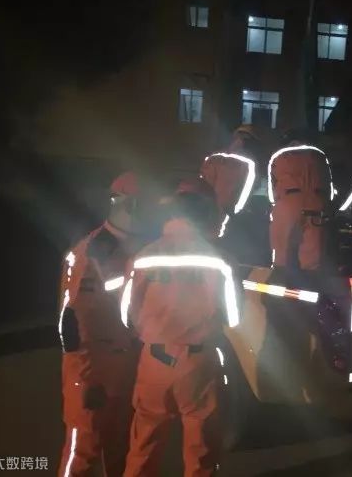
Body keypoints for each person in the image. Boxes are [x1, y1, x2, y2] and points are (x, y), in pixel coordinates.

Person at [121, 178, 238, 477]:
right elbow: (233, 317)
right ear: (206, 212)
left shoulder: (144, 256)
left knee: (144, 443)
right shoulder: (219, 260)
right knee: (200, 451)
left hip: (153, 360)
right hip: (198, 362)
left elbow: (126, 314)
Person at [58, 171, 150, 477]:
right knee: (83, 451)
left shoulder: (140, 249)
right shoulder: (91, 251)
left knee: (121, 449)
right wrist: (88, 380)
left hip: (127, 369)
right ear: (131, 205)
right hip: (94, 371)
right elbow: (72, 325)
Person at [267, 127, 334, 271]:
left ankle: (281, 275)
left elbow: (272, 189)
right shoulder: (320, 155)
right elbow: (328, 185)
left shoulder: (279, 155)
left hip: (287, 204)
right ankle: (309, 276)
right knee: (312, 252)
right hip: (316, 205)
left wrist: (277, 204)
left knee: (283, 251)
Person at [200, 125, 264, 238]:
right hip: (228, 210)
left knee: (204, 234)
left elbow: (201, 180)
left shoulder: (213, 156)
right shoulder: (249, 162)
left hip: (205, 207)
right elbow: (248, 189)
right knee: (220, 236)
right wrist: (238, 211)